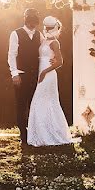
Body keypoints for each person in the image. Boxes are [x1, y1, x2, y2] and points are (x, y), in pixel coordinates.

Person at [26, 16, 78, 147]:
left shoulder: (55, 42)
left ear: (55, 28)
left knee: (43, 102)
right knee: (41, 103)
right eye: (46, 27)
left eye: (50, 28)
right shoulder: (44, 41)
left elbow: (60, 61)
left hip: (48, 74)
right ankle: (41, 133)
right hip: (40, 71)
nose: (47, 29)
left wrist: (44, 71)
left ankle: (50, 134)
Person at [7, 8, 42, 145]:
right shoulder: (16, 34)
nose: (33, 24)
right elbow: (11, 55)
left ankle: (34, 133)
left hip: (36, 76)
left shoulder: (40, 35)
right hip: (21, 75)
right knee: (21, 106)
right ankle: (23, 135)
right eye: (31, 20)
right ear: (26, 19)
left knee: (35, 105)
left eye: (35, 21)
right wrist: (14, 73)